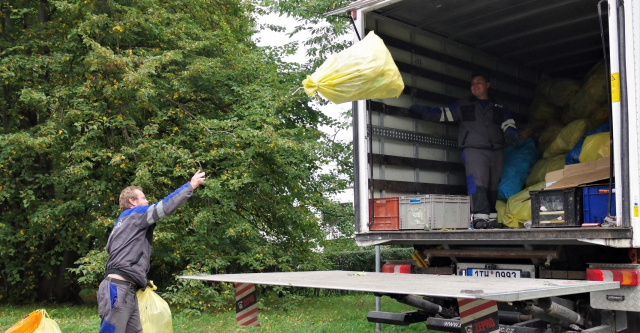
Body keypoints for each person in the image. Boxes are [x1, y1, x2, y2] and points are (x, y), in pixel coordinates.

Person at [97, 170, 206, 332]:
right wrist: (190, 185)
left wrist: (139, 278)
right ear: (132, 201)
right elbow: (165, 207)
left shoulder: (122, 222)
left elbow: (116, 252)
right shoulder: (135, 215)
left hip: (128, 289)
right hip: (117, 289)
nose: (147, 201)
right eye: (143, 198)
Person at [410, 74, 518, 229]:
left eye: (478, 82)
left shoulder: (499, 106)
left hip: (496, 150)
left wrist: (511, 133)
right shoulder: (463, 104)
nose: (475, 85)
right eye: (472, 83)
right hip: (474, 150)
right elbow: (443, 114)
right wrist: (423, 111)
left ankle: (491, 218)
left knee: (494, 184)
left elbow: (508, 123)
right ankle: (479, 218)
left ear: (488, 84)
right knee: (478, 183)